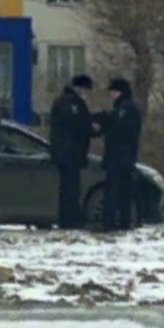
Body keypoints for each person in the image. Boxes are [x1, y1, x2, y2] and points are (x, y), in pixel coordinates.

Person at [49, 74, 96, 229]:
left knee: (69, 188)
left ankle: (69, 219)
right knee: (70, 189)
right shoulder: (70, 104)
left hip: (67, 153)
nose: (86, 94)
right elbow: (77, 126)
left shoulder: (65, 102)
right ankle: (69, 221)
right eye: (85, 90)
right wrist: (92, 127)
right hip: (70, 154)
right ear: (79, 88)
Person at [99, 77, 143, 232]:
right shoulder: (127, 108)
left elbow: (119, 131)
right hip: (125, 157)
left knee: (114, 190)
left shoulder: (124, 110)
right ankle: (123, 222)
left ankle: (110, 223)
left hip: (118, 157)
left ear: (119, 92)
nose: (111, 95)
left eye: (112, 92)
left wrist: (105, 122)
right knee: (124, 191)